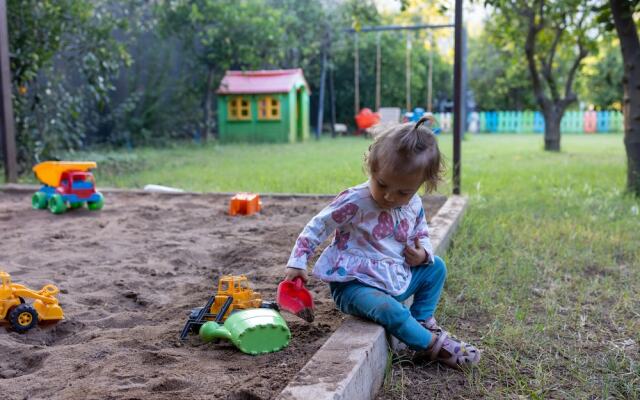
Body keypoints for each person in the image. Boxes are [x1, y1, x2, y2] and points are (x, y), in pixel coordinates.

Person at [284, 115, 480, 369]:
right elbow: (319, 225)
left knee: (436, 267)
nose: (388, 196)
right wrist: (298, 261)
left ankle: (421, 321)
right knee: (391, 310)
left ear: (422, 185)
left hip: (394, 275)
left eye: (403, 192)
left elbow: (421, 233)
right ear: (371, 167)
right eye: (382, 184)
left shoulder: (413, 203)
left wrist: (422, 254)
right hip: (355, 286)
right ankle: (432, 346)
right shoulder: (356, 201)